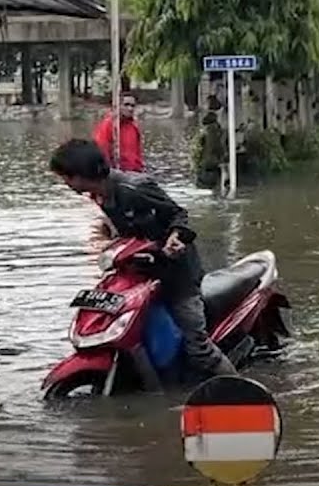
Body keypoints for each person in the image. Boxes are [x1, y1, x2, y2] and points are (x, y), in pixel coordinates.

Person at [49, 138, 237, 380]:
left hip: (177, 274)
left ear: (83, 174)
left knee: (198, 349)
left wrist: (175, 237)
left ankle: (241, 389)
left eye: (67, 177)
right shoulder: (99, 195)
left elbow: (178, 213)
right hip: (142, 273)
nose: (65, 183)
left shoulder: (134, 187)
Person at [92, 93, 144, 173]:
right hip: (117, 172)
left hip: (134, 171)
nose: (130, 108)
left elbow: (138, 153)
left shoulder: (134, 127)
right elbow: (101, 150)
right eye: (126, 105)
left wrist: (141, 169)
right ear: (117, 106)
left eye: (133, 106)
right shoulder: (108, 125)